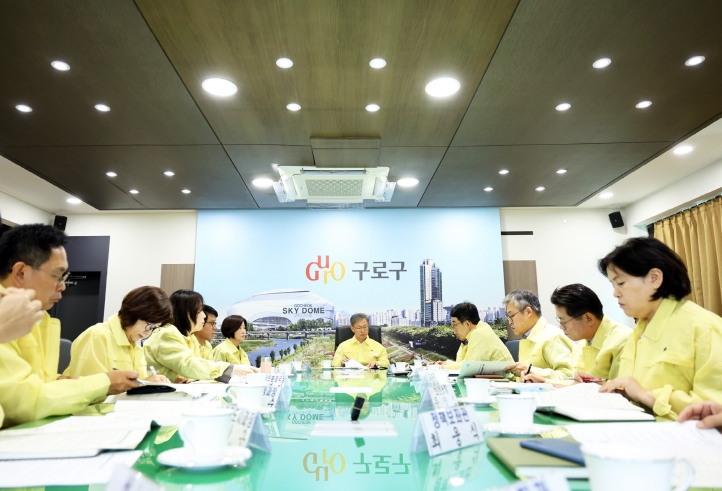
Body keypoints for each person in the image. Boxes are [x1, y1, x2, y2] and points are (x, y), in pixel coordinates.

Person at [0, 224, 139, 427]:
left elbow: (31, 385)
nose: (63, 285)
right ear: (21, 273)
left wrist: (59, 383)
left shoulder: (37, 316)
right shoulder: (6, 314)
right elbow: (23, 402)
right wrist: (104, 382)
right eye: (58, 275)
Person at [598, 237, 722, 420]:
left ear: (654, 278)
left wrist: (648, 396)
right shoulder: (639, 331)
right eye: (613, 285)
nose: (615, 293)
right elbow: (632, 387)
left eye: (621, 283)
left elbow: (715, 409)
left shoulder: (703, 327)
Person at [524, 284, 631, 383]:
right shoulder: (580, 346)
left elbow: (622, 388)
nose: (561, 327)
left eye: (563, 321)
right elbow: (571, 384)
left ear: (588, 318)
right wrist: (544, 382)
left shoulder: (623, 340)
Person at [144, 289, 257, 382]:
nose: (203, 315)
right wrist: (231, 369)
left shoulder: (190, 337)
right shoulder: (167, 333)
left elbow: (198, 368)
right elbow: (190, 365)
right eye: (199, 310)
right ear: (186, 312)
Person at [64, 286, 173, 382]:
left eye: (154, 328)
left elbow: (137, 385)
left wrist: (150, 384)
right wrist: (140, 385)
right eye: (149, 325)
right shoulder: (97, 336)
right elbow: (89, 389)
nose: (148, 332)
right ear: (134, 313)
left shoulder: (136, 347)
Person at [502, 289, 573, 381]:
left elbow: (568, 376)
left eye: (511, 316)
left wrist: (530, 371)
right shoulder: (528, 337)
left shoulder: (553, 336)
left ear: (528, 312)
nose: (510, 322)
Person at [440, 302, 513, 369]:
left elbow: (471, 367)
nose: (454, 331)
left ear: (467, 324)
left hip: (507, 378)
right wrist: (446, 364)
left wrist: (443, 367)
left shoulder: (480, 334)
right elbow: (464, 363)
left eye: (455, 325)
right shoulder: (469, 336)